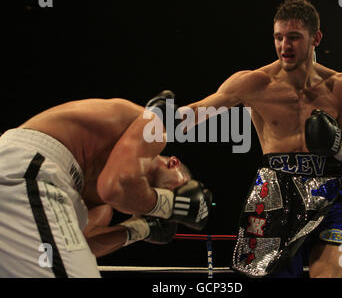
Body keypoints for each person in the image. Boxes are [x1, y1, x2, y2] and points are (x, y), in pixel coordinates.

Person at [181, 0, 342, 278]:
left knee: (329, 274)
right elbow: (196, 113)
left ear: (316, 38)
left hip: (331, 192)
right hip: (276, 195)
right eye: (279, 38)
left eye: (294, 38)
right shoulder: (254, 83)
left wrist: (339, 146)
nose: (285, 46)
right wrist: (154, 117)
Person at [0, 97, 212, 277]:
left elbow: (85, 244)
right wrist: (168, 205)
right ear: (173, 164)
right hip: (28, 167)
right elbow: (115, 186)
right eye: (177, 189)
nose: (168, 196)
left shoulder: (100, 205)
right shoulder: (147, 137)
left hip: (28, 182)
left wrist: (142, 228)